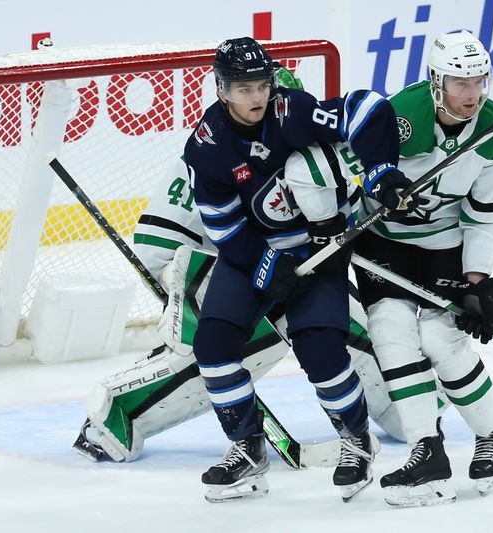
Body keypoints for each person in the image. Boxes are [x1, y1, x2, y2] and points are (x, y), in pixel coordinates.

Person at [71, 68, 422, 465]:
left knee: (338, 334)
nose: (263, 105)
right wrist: (194, 289)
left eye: (266, 93)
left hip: (297, 262)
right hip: (216, 264)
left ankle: (407, 411)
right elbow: (161, 250)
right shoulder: (207, 156)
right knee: (222, 347)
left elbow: (341, 199)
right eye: (249, 93)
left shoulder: (305, 138)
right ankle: (119, 416)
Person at [185, 37, 410, 503]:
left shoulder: (293, 111)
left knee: (321, 351)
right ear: (221, 89)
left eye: (262, 85)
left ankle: (356, 440)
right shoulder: (209, 145)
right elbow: (223, 226)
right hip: (252, 253)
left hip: (319, 249)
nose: (257, 97)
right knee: (212, 346)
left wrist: (382, 171)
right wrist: (266, 263)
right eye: (243, 89)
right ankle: (247, 450)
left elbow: (367, 108)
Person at [351, 30, 493, 507]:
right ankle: (427, 450)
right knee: (391, 331)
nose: (470, 93)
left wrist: (477, 283)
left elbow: (485, 218)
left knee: (443, 339)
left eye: (478, 81)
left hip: (445, 245)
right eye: (458, 82)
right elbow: (353, 169)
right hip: (383, 243)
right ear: (435, 81)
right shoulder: (399, 116)